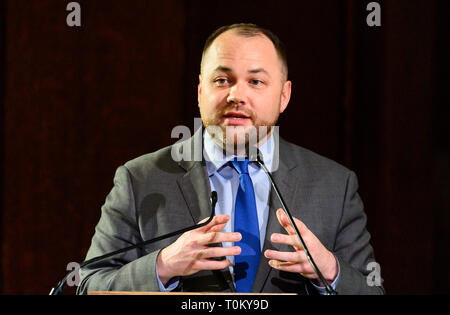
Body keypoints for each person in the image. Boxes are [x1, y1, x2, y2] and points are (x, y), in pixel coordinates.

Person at [77, 23, 384, 295]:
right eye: (222, 80)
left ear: (284, 96)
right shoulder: (140, 178)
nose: (237, 95)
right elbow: (88, 285)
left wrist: (329, 270)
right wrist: (163, 266)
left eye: (256, 82)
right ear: (200, 91)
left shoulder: (334, 185)